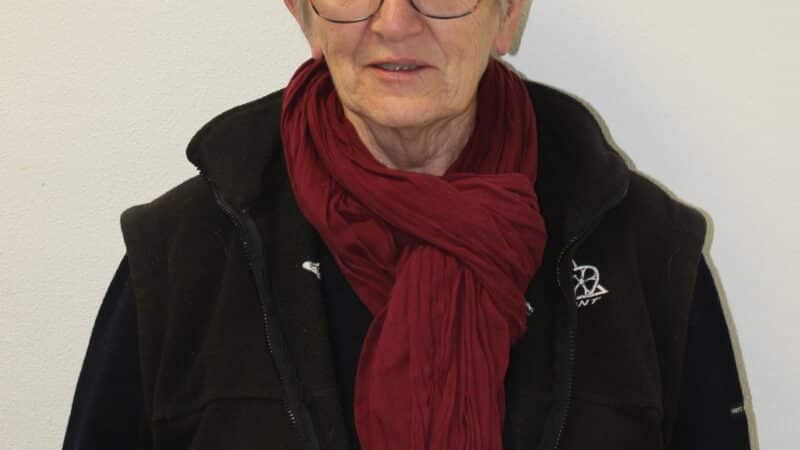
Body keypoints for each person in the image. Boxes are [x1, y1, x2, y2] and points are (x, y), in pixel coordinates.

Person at [63, 0, 751, 449]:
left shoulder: (647, 255)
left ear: (508, 12)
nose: (394, 22)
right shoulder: (180, 258)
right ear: (303, 12)